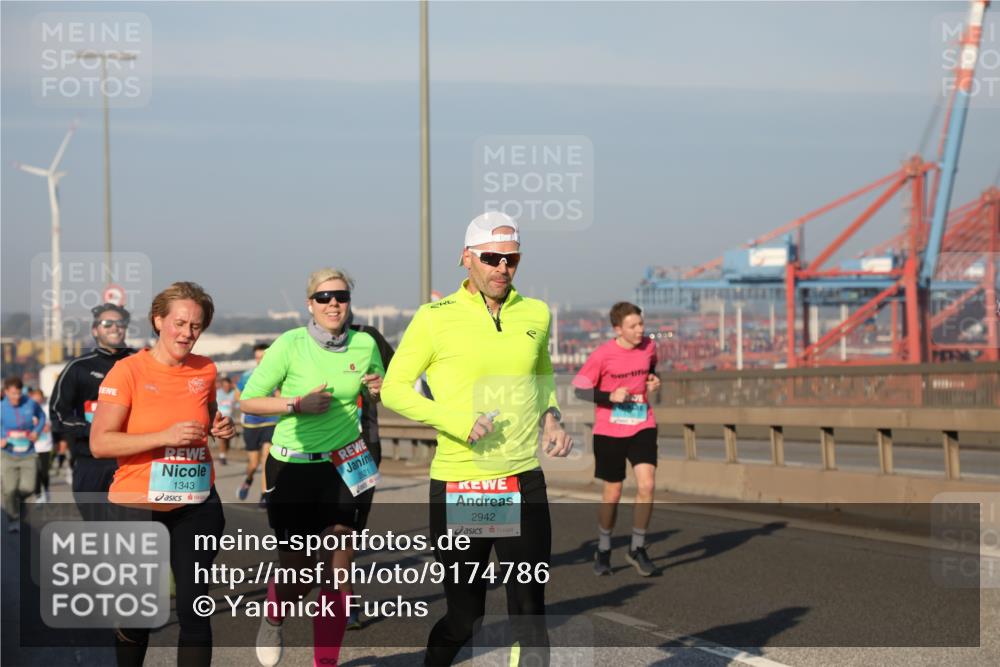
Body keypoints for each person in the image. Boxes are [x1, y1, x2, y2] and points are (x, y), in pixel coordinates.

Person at [382, 211, 573, 666]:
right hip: (463, 483)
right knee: (466, 619)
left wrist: (552, 415)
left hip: (521, 479)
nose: (502, 268)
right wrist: (455, 419)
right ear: (466, 258)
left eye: (512, 259)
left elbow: (541, 371)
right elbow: (392, 388)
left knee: (530, 612)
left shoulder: (536, 312)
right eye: (492, 258)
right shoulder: (434, 318)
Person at [239, 268, 385, 667]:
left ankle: (326, 663)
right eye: (324, 298)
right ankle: (273, 615)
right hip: (293, 468)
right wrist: (295, 404)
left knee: (337, 570)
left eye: (340, 296)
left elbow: (379, 385)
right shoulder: (290, 344)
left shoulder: (363, 344)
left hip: (345, 466)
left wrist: (377, 389)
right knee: (299, 572)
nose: (333, 303)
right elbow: (249, 401)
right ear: (310, 304)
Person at [91, 282, 234, 667]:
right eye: (180, 323)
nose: (187, 333)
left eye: (196, 326)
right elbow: (101, 443)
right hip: (138, 505)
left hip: (195, 502)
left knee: (194, 611)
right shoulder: (128, 372)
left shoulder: (205, 369)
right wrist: (163, 436)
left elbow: (207, 415)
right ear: (159, 321)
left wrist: (220, 426)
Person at [572, 302, 661, 577]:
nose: (640, 330)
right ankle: (604, 546)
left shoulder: (649, 347)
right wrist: (608, 396)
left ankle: (637, 547)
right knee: (614, 492)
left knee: (647, 484)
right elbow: (580, 390)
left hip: (642, 422)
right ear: (617, 329)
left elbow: (652, 368)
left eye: (641, 324)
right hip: (610, 430)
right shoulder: (603, 355)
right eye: (633, 326)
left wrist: (654, 380)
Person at [49, 303, 135, 520]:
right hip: (91, 461)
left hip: (132, 460)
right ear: (95, 329)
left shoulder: (140, 363)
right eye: (108, 323)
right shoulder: (78, 368)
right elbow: (59, 414)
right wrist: (94, 430)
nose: (115, 328)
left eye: (120, 323)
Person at [234, 343, 277, 506]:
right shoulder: (247, 375)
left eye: (263, 357)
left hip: (270, 421)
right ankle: (248, 479)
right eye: (257, 357)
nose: (260, 360)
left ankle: (264, 496)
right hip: (251, 424)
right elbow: (238, 396)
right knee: (254, 463)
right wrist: (253, 404)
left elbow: (281, 395)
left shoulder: (276, 374)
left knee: (267, 458)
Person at [1, 376, 46, 531]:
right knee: (8, 490)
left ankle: (17, 501)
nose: (16, 397)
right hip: (8, 454)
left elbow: (41, 417)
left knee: (29, 488)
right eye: (13, 394)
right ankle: (14, 518)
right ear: (6, 392)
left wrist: (36, 431)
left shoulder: (30, 403)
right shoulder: (1, 407)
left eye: (19, 393)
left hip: (28, 453)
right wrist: (1, 437)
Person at [28, 388, 53, 503]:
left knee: (44, 471)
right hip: (32, 447)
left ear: (42, 397)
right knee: (35, 472)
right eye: (35, 398)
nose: (37, 400)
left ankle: (46, 490)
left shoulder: (47, 408)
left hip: (46, 445)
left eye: (39, 398)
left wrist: (49, 426)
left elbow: (53, 421)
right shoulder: (28, 410)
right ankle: (38, 495)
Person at [214, 376, 236, 465]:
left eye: (228, 386)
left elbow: (239, 405)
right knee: (223, 438)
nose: (226, 388)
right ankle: (222, 456)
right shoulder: (218, 394)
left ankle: (224, 454)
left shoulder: (234, 394)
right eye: (224, 386)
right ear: (222, 386)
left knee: (228, 440)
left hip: (231, 419)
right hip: (220, 419)